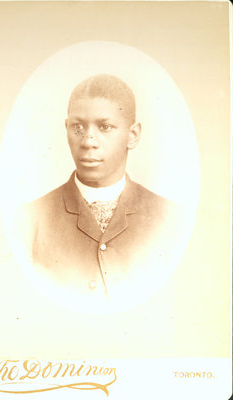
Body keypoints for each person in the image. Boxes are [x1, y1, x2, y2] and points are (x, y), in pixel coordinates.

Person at [14, 74, 180, 298]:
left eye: (105, 126)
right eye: (78, 127)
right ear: (66, 128)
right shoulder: (28, 221)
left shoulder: (171, 220)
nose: (88, 141)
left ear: (133, 135)